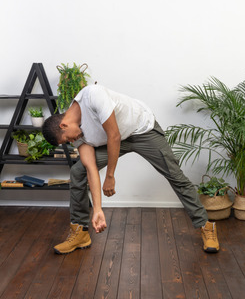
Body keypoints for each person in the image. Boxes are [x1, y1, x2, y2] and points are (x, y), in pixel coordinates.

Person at [42, 83, 220, 254]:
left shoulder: (92, 95)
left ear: (63, 125)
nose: (72, 143)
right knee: (78, 171)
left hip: (142, 131)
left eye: (67, 140)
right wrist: (98, 209)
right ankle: (80, 232)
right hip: (115, 139)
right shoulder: (78, 134)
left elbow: (114, 135)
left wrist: (110, 176)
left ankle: (206, 226)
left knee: (174, 174)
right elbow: (91, 169)